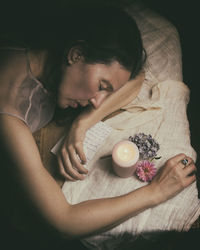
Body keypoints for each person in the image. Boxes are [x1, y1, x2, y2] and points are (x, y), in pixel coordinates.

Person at [0, 3, 196, 246]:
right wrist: (156, 192)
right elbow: (64, 221)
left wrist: (82, 124)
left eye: (107, 91)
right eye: (102, 86)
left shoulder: (53, 54)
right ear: (76, 54)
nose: (97, 101)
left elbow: (136, 79)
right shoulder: (8, 119)